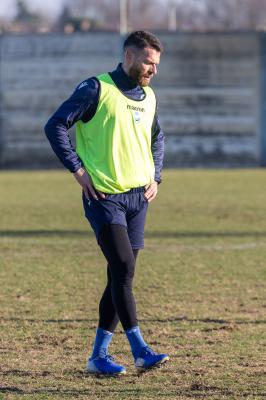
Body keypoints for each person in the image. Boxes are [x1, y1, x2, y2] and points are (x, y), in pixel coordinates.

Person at [44, 30, 169, 376]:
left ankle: (98, 357)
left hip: (138, 199)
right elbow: (55, 125)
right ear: (128, 57)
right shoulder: (96, 88)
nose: (153, 70)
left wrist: (155, 175)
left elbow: (157, 137)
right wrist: (78, 169)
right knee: (124, 269)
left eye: (156, 64)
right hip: (103, 197)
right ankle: (140, 350)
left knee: (119, 274)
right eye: (148, 62)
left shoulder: (149, 96)